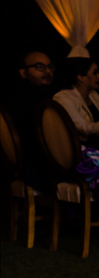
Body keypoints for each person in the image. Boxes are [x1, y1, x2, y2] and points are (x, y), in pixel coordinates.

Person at [4, 50, 56, 190]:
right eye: (39, 67)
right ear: (23, 73)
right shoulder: (26, 99)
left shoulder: (44, 97)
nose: (47, 71)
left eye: (50, 67)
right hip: (36, 171)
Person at [52, 57, 99, 141]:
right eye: (95, 73)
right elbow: (83, 127)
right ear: (81, 77)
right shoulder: (63, 97)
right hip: (82, 149)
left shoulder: (93, 94)